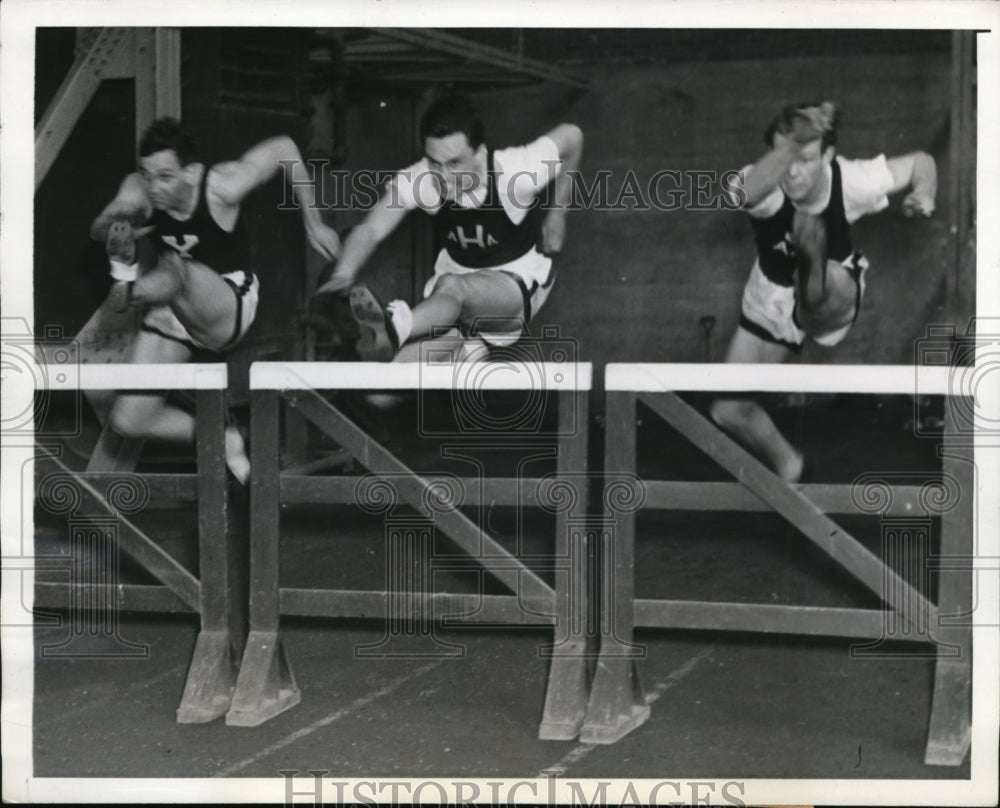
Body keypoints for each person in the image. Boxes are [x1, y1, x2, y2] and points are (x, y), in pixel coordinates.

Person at [90, 117, 340, 483]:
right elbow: (101, 227)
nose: (154, 187)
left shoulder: (224, 185)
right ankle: (222, 435)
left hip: (229, 302)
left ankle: (128, 289)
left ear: (190, 172)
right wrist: (119, 224)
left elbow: (285, 147)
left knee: (178, 267)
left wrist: (313, 222)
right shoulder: (140, 187)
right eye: (147, 175)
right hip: (172, 308)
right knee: (128, 419)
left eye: (165, 177)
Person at [711, 101, 937, 482]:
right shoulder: (764, 180)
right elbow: (743, 195)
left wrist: (925, 192)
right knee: (727, 409)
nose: (794, 172)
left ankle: (812, 264)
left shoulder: (850, 179)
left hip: (833, 289)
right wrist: (793, 145)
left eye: (806, 158)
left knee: (820, 292)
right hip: (770, 297)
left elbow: (921, 162)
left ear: (829, 154)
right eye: (786, 158)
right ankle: (791, 466)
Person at [314, 93, 583, 363]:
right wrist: (345, 271)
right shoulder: (421, 179)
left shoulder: (518, 172)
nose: (443, 177)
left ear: (479, 153)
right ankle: (466, 347)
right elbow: (370, 230)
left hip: (513, 288)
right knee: (387, 384)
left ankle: (395, 328)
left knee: (454, 287)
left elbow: (572, 136)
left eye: (454, 163)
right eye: (434, 163)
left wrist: (558, 212)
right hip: (448, 302)